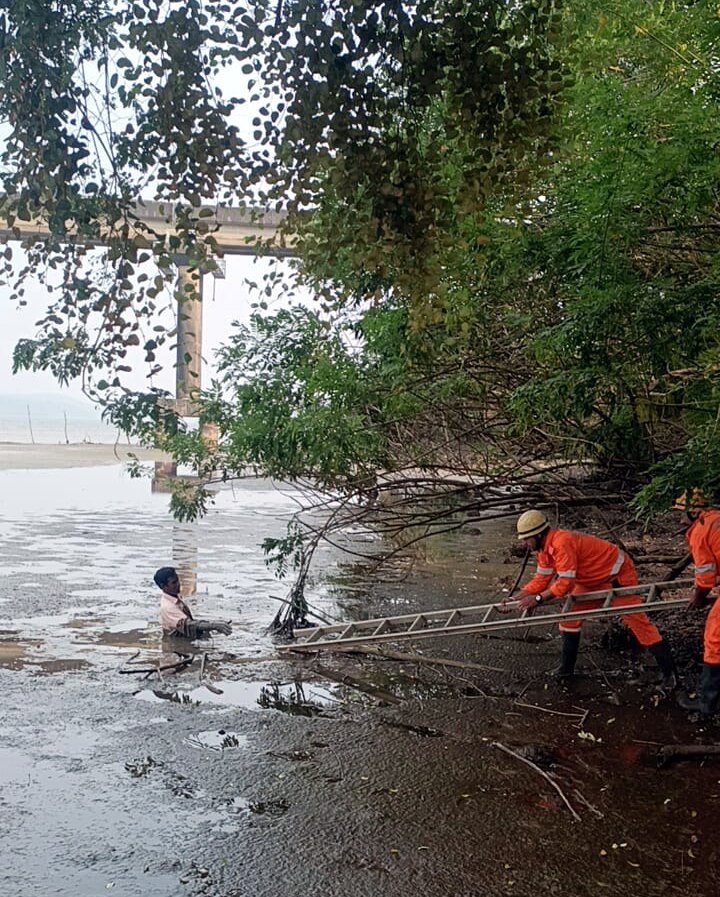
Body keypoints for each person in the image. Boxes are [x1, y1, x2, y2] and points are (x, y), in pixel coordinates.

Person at [500, 509, 677, 686]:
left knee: (638, 624)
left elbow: (566, 582)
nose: (524, 543)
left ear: (538, 535)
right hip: (592, 580)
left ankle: (670, 674)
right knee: (569, 620)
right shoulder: (544, 550)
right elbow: (541, 580)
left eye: (525, 539)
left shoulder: (562, 542)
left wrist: (538, 599)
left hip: (617, 577)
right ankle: (566, 672)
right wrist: (517, 597)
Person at [673, 490, 720, 716]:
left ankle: (707, 705)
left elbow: (706, 575)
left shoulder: (701, 529)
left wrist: (698, 597)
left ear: (694, 512)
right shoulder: (715, 520)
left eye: (683, 513)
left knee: (715, 639)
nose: (681, 520)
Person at [155, 566, 232, 639]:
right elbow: (189, 624)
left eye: (178, 580)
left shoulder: (174, 597)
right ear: (163, 586)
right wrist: (214, 625)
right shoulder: (168, 607)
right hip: (176, 645)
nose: (178, 584)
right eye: (174, 583)